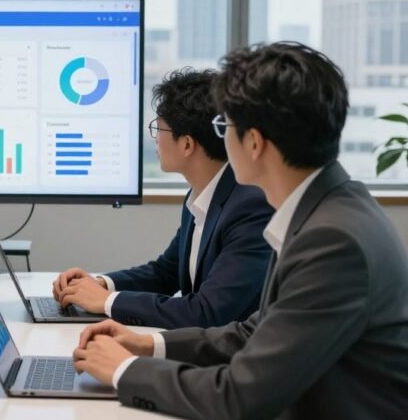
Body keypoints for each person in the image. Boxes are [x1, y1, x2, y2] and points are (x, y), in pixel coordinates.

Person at [73, 42, 408, 420]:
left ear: (255, 143)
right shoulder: (328, 208)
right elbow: (257, 331)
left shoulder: (333, 241)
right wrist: (148, 346)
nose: (221, 137)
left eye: (225, 125)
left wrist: (123, 371)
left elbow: (239, 397)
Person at [52, 69, 273, 328]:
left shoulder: (250, 206)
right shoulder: (202, 193)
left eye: (159, 128)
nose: (155, 138)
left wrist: (107, 301)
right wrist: (100, 284)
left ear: (187, 144)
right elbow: (165, 272)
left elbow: (207, 312)